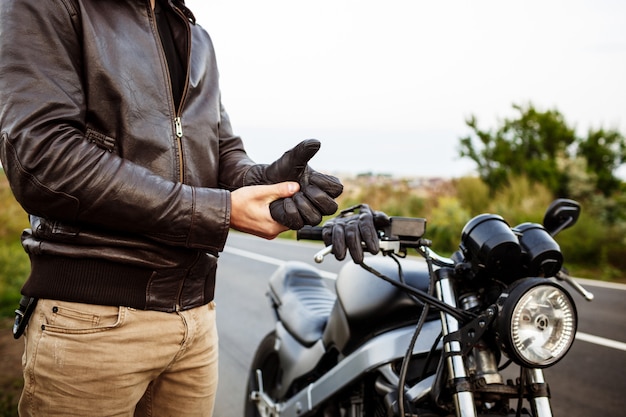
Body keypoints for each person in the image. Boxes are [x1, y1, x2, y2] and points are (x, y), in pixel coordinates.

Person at [0, 0, 343, 416]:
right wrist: (219, 211)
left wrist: (266, 181)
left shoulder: (197, 37)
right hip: (92, 324)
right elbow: (42, 158)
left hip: (196, 324)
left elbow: (220, 149)